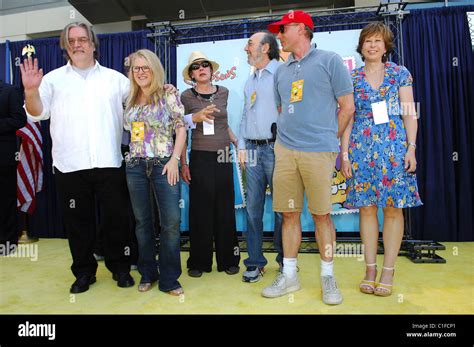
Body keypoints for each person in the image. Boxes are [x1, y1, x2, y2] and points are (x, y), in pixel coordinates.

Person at [20, 22, 136, 293]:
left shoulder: (116, 79)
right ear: (65, 47)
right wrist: (30, 92)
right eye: (70, 41)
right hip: (69, 165)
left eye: (82, 39)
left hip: (110, 162)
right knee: (77, 223)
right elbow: (36, 114)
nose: (77, 44)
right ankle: (84, 272)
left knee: (116, 220)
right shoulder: (51, 80)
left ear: (93, 44)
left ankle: (120, 268)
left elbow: (137, 112)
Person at [262, 10, 355, 305]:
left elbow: (348, 106)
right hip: (286, 152)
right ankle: (289, 276)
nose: (279, 35)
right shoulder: (281, 70)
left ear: (301, 29)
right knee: (288, 214)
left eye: (283, 29)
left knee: (321, 216)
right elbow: (281, 110)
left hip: (319, 151)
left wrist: (329, 139)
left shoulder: (330, 60)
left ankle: (327, 277)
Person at [341, 22, 422, 297]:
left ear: (386, 46)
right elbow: (348, 117)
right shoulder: (350, 77)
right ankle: (370, 268)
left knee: (392, 208)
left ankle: (388, 270)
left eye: (378, 41)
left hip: (394, 146)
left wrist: (411, 147)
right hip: (360, 148)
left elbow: (410, 112)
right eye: (367, 41)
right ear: (361, 46)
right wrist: (344, 154)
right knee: (365, 208)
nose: (372, 45)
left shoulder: (400, 73)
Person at [124, 49, 185, 295]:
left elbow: (181, 129)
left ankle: (170, 279)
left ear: (154, 69)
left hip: (164, 164)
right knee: (142, 223)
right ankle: (148, 272)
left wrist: (174, 160)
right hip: (135, 166)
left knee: (170, 223)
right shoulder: (128, 99)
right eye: (136, 68)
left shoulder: (168, 95)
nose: (140, 72)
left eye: (145, 67)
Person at [180, 51, 241, 277]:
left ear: (212, 70)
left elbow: (224, 123)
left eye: (205, 65)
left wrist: (237, 143)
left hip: (224, 154)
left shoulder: (224, 93)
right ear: (192, 74)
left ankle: (229, 260)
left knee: (225, 209)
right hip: (199, 156)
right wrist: (184, 164)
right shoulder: (186, 97)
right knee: (200, 210)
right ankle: (198, 262)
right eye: (196, 67)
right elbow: (181, 127)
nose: (201, 69)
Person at [237, 32, 283, 283]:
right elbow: (245, 115)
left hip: (277, 149)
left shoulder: (282, 73)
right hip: (252, 152)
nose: (246, 48)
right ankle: (255, 262)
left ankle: (285, 262)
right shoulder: (249, 80)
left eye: (250, 44)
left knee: (281, 211)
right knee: (252, 211)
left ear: (265, 48)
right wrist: (242, 145)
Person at [0, 81, 27, 254]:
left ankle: (7, 242)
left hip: (3, 157)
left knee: (5, 200)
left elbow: (19, 119)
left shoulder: (10, 91)